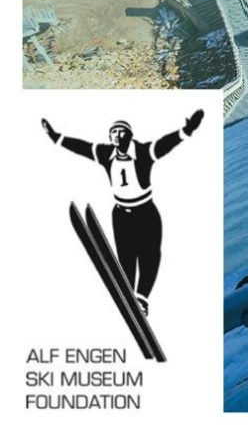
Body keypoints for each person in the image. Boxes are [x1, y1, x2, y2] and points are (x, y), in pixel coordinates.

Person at [44, 111, 203, 314]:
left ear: (129, 134)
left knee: (149, 255)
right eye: (113, 133)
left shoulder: (144, 152)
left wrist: (186, 130)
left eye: (120, 132)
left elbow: (165, 144)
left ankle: (142, 298)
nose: (116, 136)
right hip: (120, 214)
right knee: (126, 256)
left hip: (145, 212)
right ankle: (128, 293)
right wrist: (56, 138)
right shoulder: (105, 154)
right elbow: (82, 147)